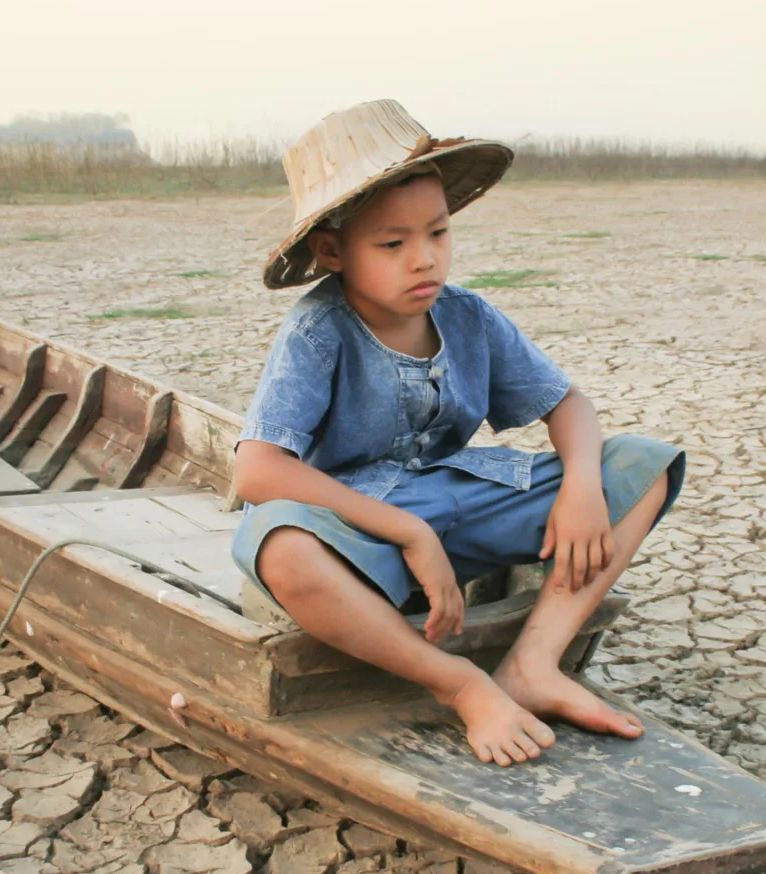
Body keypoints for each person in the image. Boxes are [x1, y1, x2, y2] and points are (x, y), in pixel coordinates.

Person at [230, 100, 684, 767]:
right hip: (357, 532)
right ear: (331, 251)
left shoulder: (468, 316)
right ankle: (461, 684)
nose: (424, 260)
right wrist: (408, 533)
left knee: (642, 465)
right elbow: (257, 471)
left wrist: (583, 488)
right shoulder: (318, 331)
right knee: (280, 547)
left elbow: (569, 405)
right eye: (392, 244)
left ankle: (533, 663)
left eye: (437, 234)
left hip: (459, 502)